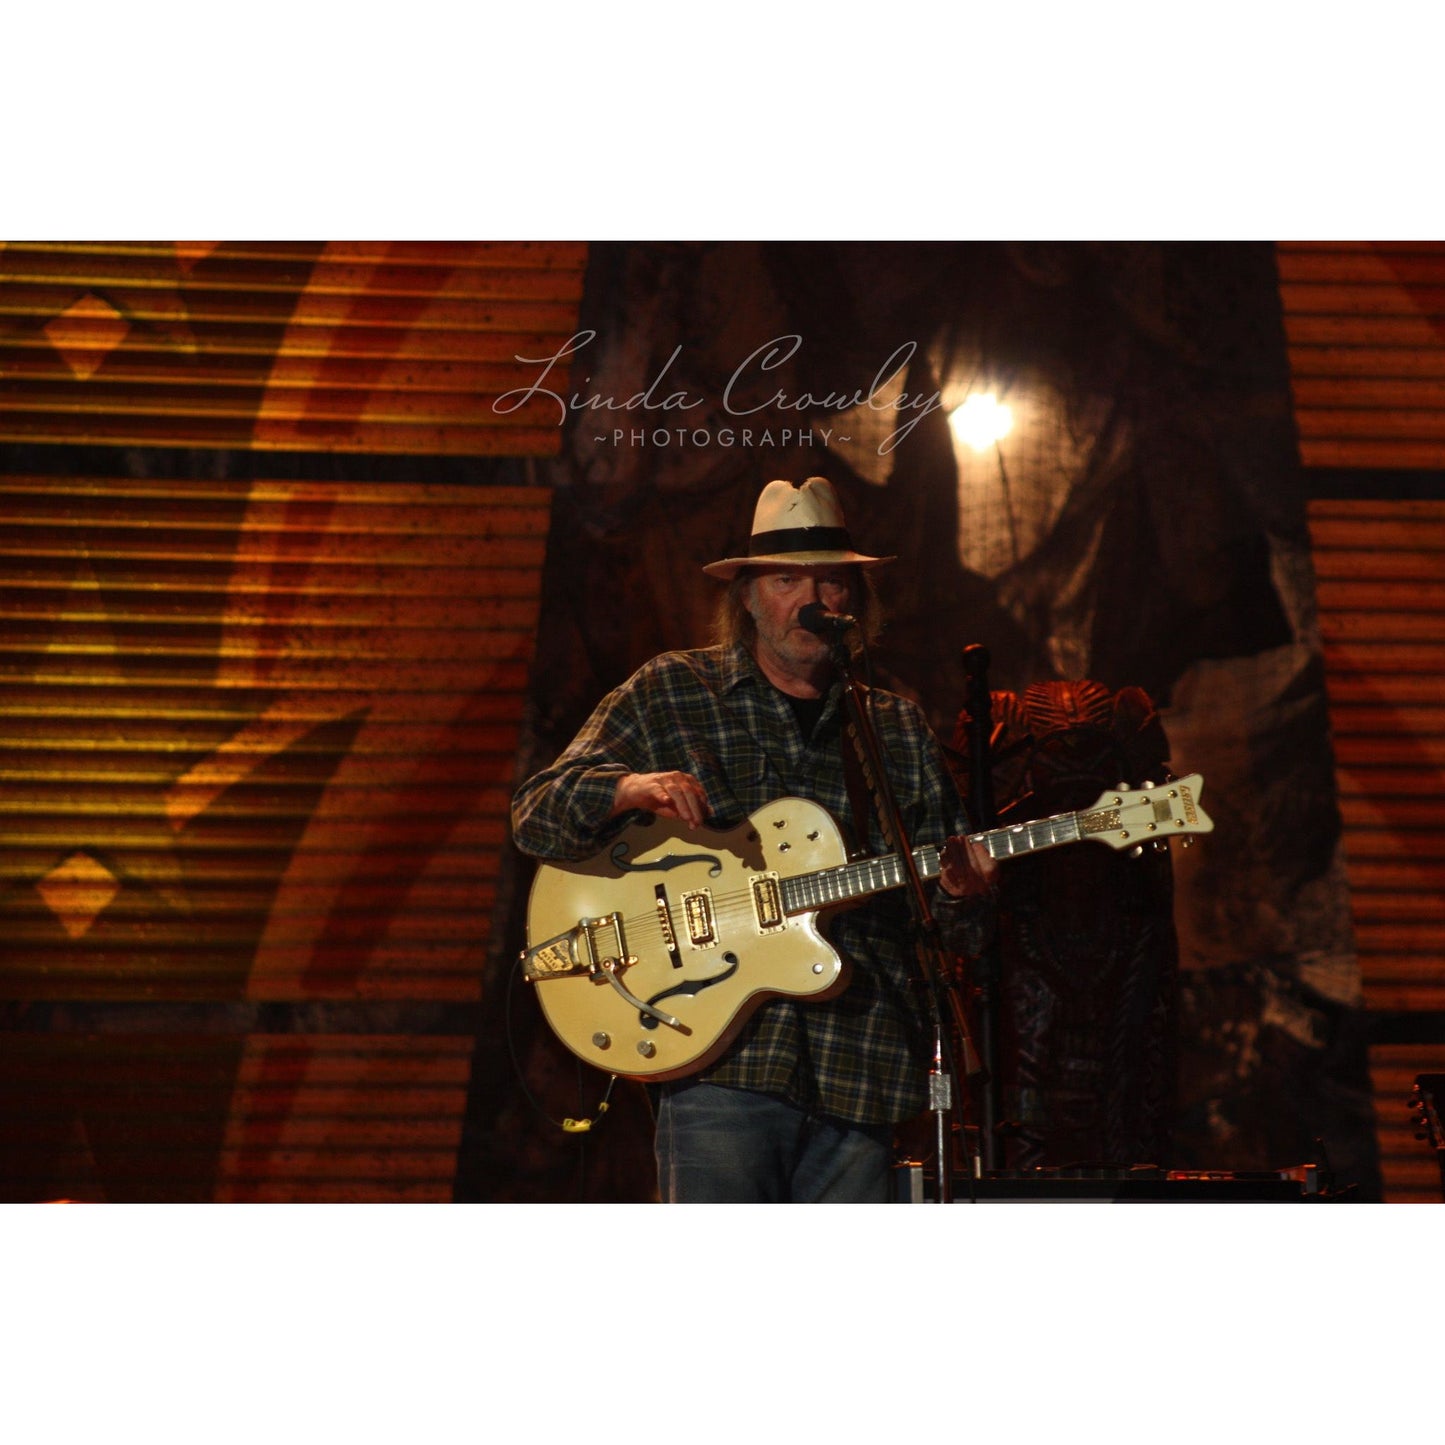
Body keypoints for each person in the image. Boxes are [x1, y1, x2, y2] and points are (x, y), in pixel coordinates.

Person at [511, 476, 998, 1202]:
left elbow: (956, 925)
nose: (810, 599)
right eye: (784, 579)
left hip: (859, 1065)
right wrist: (627, 788)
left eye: (829, 582)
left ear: (853, 600)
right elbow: (534, 810)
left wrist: (965, 892)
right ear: (745, 596)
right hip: (722, 1067)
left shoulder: (893, 728)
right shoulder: (673, 690)